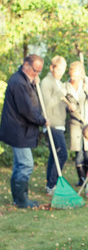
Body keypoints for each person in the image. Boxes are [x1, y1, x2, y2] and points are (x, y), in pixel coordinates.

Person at [0, 54, 48, 208]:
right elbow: (26, 109)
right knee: (26, 164)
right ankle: (22, 200)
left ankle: (18, 199)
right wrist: (42, 120)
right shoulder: (19, 82)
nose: (37, 74)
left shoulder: (25, 80)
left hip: (20, 130)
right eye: (35, 70)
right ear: (26, 65)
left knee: (19, 165)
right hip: (18, 130)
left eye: (40, 71)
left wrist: (34, 84)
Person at [65, 61, 88, 186]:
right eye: (72, 75)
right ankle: (82, 179)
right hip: (75, 122)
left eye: (76, 75)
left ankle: (85, 177)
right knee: (78, 151)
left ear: (81, 74)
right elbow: (63, 104)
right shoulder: (66, 86)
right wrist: (68, 107)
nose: (74, 78)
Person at [41, 56, 68, 195]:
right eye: (59, 69)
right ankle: (52, 184)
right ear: (52, 67)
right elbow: (46, 105)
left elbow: (60, 102)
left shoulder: (59, 82)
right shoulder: (46, 82)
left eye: (64, 69)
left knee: (54, 155)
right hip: (52, 124)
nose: (62, 72)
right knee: (62, 154)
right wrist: (59, 94)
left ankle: (49, 186)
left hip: (60, 123)